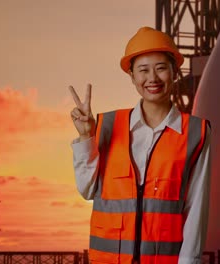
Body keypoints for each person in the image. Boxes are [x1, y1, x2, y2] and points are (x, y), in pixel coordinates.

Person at [69, 26, 211, 264]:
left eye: (161, 68)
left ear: (175, 72)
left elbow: (196, 207)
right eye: (143, 70)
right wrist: (86, 137)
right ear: (132, 76)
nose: (152, 78)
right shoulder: (106, 125)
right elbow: (86, 190)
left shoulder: (196, 132)